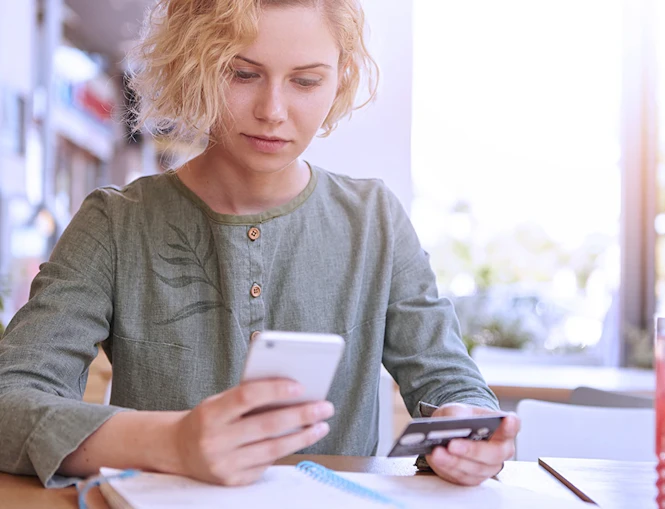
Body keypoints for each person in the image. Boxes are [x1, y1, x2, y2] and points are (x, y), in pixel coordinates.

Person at [0, 0, 520, 489]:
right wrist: (171, 443)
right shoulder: (116, 224)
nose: (272, 110)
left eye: (306, 81)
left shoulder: (375, 221)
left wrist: (467, 427)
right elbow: (9, 402)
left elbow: (453, 385)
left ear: (339, 80)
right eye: (242, 74)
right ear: (193, 66)